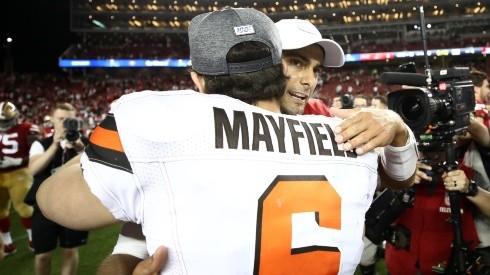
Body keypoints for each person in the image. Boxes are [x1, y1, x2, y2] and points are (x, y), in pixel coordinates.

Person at [39, 8, 416, 274]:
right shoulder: (183, 131)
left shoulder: (326, 117)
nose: (309, 80)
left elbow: (399, 172)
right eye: (296, 62)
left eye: (316, 69)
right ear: (268, 62)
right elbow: (133, 244)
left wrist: (394, 123)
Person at [384, 115, 490, 274]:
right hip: (400, 264)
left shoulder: (467, 174)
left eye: (439, 149)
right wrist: (401, 177)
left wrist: (469, 188)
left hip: (448, 265)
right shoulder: (402, 169)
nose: (432, 155)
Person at [24, 103, 88, 275]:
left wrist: (78, 146)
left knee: (70, 249)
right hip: (45, 204)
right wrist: (54, 145)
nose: (65, 123)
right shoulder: (41, 143)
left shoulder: (82, 142)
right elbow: (33, 169)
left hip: (74, 203)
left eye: (70, 119)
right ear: (52, 119)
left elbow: (93, 166)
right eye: (61, 119)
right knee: (42, 255)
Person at [0, 101, 39, 256]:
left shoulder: (26, 128)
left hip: (20, 173)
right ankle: (8, 244)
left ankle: (33, 240)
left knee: (24, 208)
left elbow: (37, 152)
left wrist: (18, 161)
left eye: (6, 120)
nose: (4, 123)